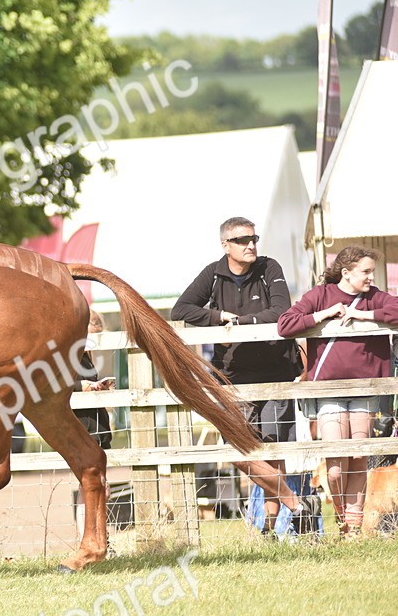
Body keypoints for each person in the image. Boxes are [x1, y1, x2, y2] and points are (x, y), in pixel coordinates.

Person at [171, 216, 313, 536]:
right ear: (226, 245)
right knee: (238, 451)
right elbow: (181, 310)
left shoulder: (269, 267)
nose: (251, 245)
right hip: (233, 378)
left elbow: (280, 312)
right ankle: (295, 504)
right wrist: (218, 316)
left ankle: (268, 531)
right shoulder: (214, 273)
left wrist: (240, 324)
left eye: (253, 238)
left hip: (276, 370)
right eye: (242, 240)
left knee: (273, 451)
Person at [278, 245, 398, 538]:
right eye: (365, 272)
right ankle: (344, 517)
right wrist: (324, 315)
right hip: (329, 388)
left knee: (358, 458)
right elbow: (286, 324)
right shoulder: (319, 295)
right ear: (346, 272)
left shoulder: (375, 297)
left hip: (365, 387)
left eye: (372, 271)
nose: (371, 277)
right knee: (334, 464)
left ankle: (352, 529)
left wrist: (364, 315)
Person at [75, 310, 115, 449]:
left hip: (97, 427)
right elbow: (55, 384)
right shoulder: (66, 356)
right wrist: (81, 386)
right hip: (82, 429)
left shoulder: (86, 358)